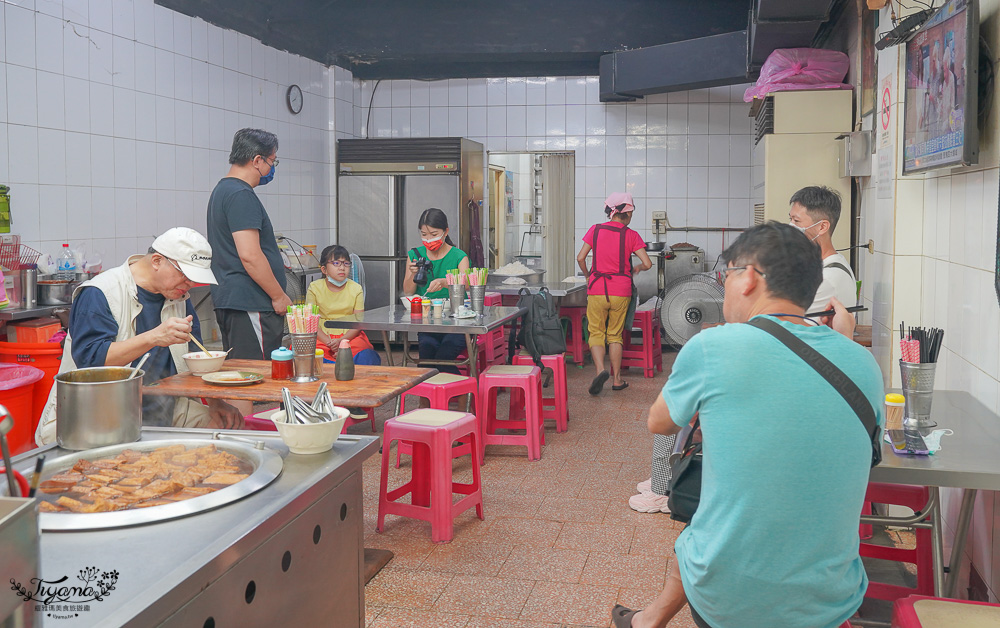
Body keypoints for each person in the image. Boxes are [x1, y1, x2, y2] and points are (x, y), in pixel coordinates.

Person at [612, 222, 883, 628]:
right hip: (833, 595)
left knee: (700, 538)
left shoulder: (713, 346)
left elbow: (659, 423)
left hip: (732, 598)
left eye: (729, 274)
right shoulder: (865, 363)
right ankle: (649, 619)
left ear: (750, 277)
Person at [35, 228, 244, 445]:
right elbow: (91, 363)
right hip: (97, 417)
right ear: (156, 261)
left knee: (228, 429)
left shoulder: (178, 295)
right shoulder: (100, 293)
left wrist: (216, 403)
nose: (189, 285)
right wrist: (154, 337)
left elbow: (196, 357)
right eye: (186, 275)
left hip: (165, 409)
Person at [207, 128, 291, 365]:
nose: (272, 169)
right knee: (252, 376)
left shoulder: (223, 190)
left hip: (234, 299)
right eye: (272, 161)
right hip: (250, 302)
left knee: (239, 374)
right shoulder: (240, 194)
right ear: (257, 160)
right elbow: (250, 255)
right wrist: (278, 296)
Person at [576, 192, 652, 395]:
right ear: (626, 213)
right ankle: (617, 380)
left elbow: (581, 257)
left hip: (597, 288)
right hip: (621, 290)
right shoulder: (631, 235)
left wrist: (587, 275)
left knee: (596, 332)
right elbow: (648, 263)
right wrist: (637, 269)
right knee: (615, 335)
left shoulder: (595, 230)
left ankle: (601, 370)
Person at [402, 208, 469, 374]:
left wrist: (445, 282)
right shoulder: (415, 255)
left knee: (444, 356)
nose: (428, 239)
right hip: (428, 322)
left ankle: (461, 395)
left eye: (433, 234)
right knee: (426, 357)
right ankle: (428, 399)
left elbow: (466, 284)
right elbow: (408, 292)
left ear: (445, 231)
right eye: (424, 234)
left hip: (457, 323)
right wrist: (412, 273)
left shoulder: (459, 256)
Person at [788, 186, 857, 315]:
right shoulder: (823, 264)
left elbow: (784, 321)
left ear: (822, 227)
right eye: (790, 219)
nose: (791, 227)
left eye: (796, 221)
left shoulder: (828, 279)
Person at [307, 245, 380, 365]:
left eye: (346, 263)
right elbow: (310, 321)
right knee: (309, 353)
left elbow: (358, 322)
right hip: (321, 336)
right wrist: (330, 343)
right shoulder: (314, 288)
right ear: (324, 270)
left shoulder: (356, 289)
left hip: (350, 335)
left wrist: (342, 342)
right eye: (336, 263)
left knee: (365, 354)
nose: (342, 268)